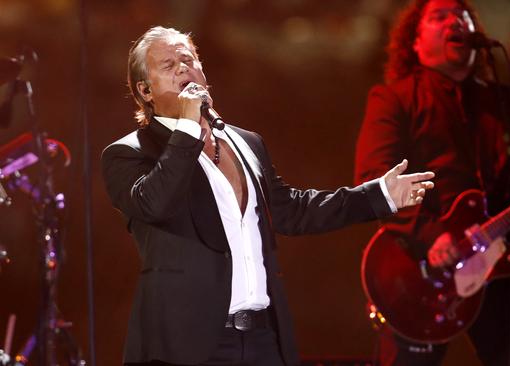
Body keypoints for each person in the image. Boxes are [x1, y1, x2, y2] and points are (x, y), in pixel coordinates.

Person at [101, 26, 435, 366]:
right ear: (145, 90)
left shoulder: (246, 142)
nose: (183, 68)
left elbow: (292, 210)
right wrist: (187, 128)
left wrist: (379, 195)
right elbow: (155, 203)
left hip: (262, 340)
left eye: (189, 59)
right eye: (169, 65)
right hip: (187, 345)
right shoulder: (129, 153)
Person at [354, 0, 510, 365]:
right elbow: (375, 177)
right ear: (416, 41)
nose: (455, 20)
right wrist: (429, 234)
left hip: (499, 265)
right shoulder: (395, 98)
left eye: (463, 16)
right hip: (419, 266)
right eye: (439, 16)